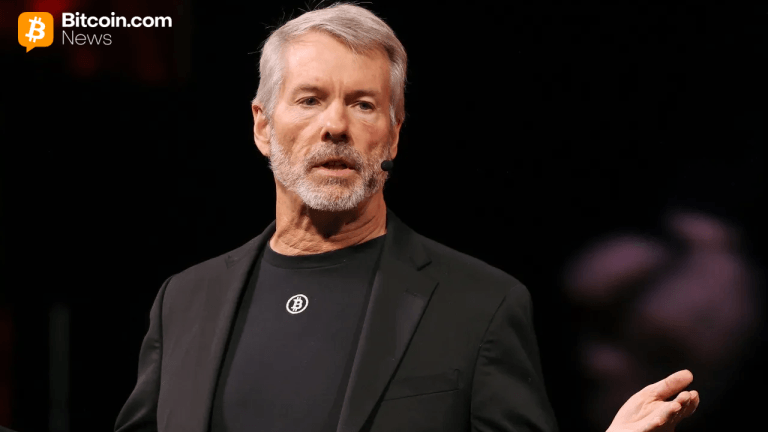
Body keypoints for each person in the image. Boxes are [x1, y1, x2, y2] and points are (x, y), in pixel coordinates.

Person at [114, 4, 699, 432]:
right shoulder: (184, 301)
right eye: (310, 99)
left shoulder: (481, 305)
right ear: (263, 126)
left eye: (363, 104)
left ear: (393, 134)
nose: (336, 126)